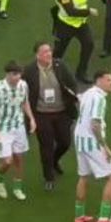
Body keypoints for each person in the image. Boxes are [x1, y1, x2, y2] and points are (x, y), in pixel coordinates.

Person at [22, 42, 78, 193]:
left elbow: (72, 83)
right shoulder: (29, 70)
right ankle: (49, 177)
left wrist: (72, 98)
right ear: (37, 55)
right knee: (46, 146)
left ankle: (54, 161)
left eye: (49, 51)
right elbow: (23, 91)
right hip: (41, 114)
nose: (49, 54)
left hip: (61, 112)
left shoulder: (60, 66)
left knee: (65, 142)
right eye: (45, 52)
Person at [73, 70, 111, 222]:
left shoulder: (88, 93)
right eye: (109, 80)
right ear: (99, 81)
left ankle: (79, 215)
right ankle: (103, 219)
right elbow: (95, 124)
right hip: (92, 142)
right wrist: (105, 147)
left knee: (83, 176)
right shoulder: (100, 98)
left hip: (79, 140)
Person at [0, 60, 37, 200]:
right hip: (2, 128)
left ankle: (17, 188)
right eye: (14, 74)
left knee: (19, 159)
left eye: (19, 74)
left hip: (18, 126)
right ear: (7, 74)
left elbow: (25, 102)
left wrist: (31, 119)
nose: (18, 77)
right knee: (7, 161)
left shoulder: (23, 85)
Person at [51, 0, 98, 81]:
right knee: (58, 52)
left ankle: (81, 73)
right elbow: (70, 11)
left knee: (89, 44)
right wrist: (88, 11)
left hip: (80, 23)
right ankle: (50, 72)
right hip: (65, 25)